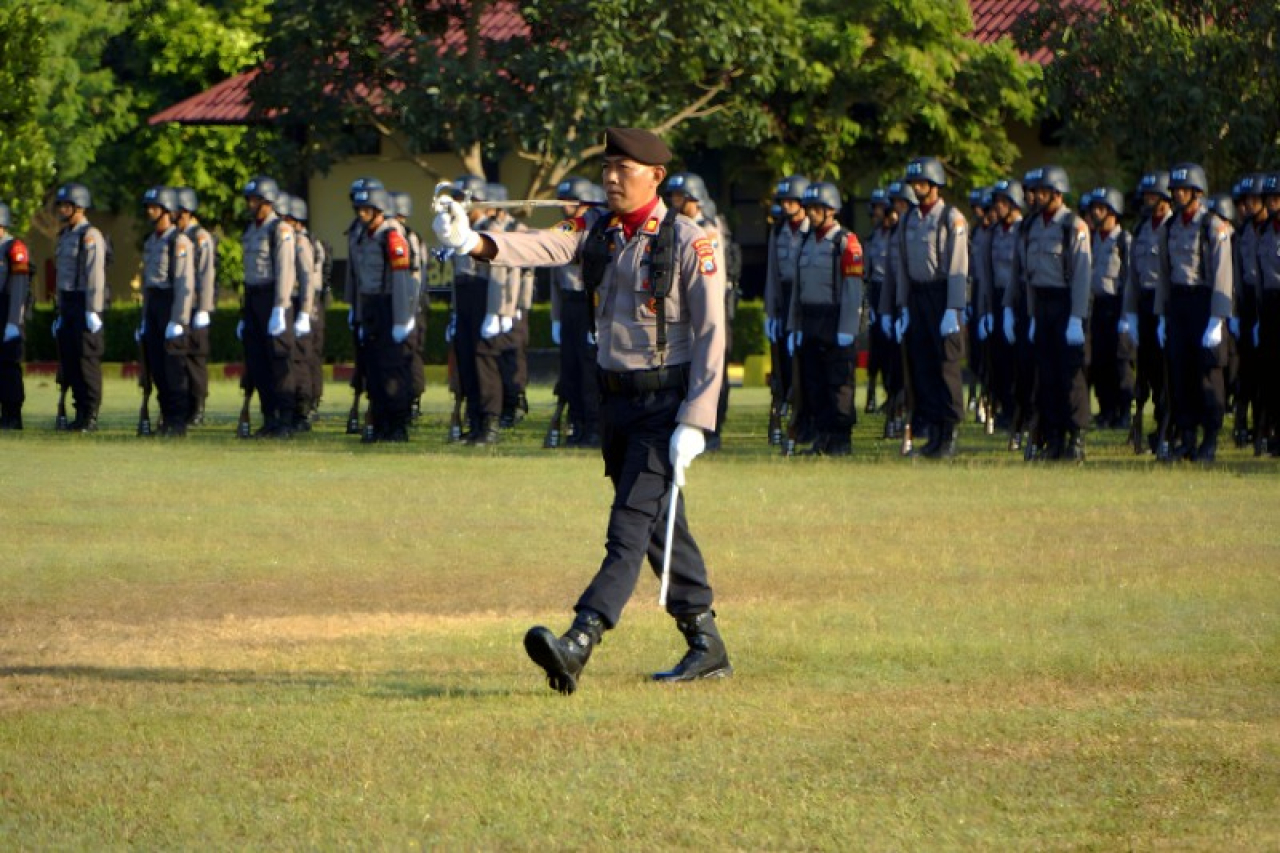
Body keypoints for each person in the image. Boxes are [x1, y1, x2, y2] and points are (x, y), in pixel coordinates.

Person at [433, 127, 729, 694]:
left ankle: (580, 639)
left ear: (656, 177)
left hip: (664, 406)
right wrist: (472, 242)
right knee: (660, 527)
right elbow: (543, 246)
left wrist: (697, 417)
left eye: (624, 169)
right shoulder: (596, 230)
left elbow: (714, 334)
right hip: (614, 402)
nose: (611, 177)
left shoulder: (690, 242)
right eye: (607, 168)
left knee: (627, 528)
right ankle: (706, 642)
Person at [1004, 165, 1091, 461]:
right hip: (1041, 305)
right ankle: (1052, 438)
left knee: (1071, 375)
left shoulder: (1073, 226)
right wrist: (1029, 314)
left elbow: (1082, 274)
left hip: (1066, 304)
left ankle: (1075, 439)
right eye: (1034, 192)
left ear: (1057, 193)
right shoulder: (1030, 226)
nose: (1035, 197)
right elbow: (1027, 275)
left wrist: (1077, 317)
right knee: (1047, 376)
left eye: (1042, 192)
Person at [1157, 163, 1233, 462]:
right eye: (1175, 190)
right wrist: (1162, 314)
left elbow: (1222, 273)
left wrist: (1218, 318)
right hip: (1178, 304)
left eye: (1182, 189)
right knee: (1181, 373)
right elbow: (1164, 273)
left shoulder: (1213, 226)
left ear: (1197, 192)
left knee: (1207, 373)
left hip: (1204, 303)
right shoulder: (1170, 226)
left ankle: (1210, 439)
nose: (1176, 195)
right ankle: (1186, 438)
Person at [896, 156, 969, 458]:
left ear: (935, 184)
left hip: (942, 296)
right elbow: (901, 265)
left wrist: (953, 307)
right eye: (914, 183)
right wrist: (901, 305)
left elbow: (957, 266)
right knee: (922, 366)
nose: (917, 188)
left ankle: (949, 432)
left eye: (922, 182)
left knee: (946, 367)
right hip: (917, 296)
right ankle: (933, 433)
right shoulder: (908, 219)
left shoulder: (951, 218)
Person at [786, 181, 863, 455]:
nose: (811, 213)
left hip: (834, 319)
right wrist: (793, 326)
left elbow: (853, 289)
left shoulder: (845, 241)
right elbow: (798, 289)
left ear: (831, 210)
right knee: (814, 382)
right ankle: (822, 436)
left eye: (817, 208)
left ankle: (841, 438)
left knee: (838, 382)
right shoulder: (806, 241)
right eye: (809, 208)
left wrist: (848, 328)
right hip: (809, 319)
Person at [666, 172, 730, 450]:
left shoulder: (709, 230)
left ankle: (712, 428)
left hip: (707, 305)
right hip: (682, 309)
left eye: (681, 197)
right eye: (674, 197)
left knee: (711, 366)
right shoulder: (676, 227)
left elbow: (711, 274)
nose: (676, 202)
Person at [350, 185, 416, 442]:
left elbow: (401, 278)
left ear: (379, 209)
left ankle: (396, 425)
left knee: (391, 369)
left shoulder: (391, 236)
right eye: (359, 208)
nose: (361, 213)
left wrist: (401, 318)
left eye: (366, 208)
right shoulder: (364, 235)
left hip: (389, 306)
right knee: (372, 368)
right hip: (370, 306)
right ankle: (379, 423)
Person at [549, 177, 605, 446]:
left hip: (590, 303)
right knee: (569, 367)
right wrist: (556, 318)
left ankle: (595, 426)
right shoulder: (564, 230)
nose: (563, 205)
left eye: (568, 200)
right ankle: (577, 422)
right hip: (570, 304)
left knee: (589, 368)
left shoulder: (597, 231)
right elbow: (555, 279)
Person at [240, 176, 297, 437]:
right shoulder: (251, 230)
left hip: (273, 299)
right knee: (258, 362)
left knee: (279, 362)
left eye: (255, 200)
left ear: (267, 202)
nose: (251, 204)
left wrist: (280, 307)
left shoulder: (280, 229)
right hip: (253, 298)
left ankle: (285, 419)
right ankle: (269, 417)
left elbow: (285, 270)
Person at [1123, 171, 1175, 455]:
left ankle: (1167, 428)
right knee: (1148, 370)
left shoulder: (1172, 227)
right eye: (1146, 196)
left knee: (1168, 372)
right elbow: (1132, 275)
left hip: (1165, 304)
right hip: (1144, 304)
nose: (1147, 200)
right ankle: (1150, 428)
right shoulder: (1142, 228)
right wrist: (1129, 312)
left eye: (1153, 195)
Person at [138, 186, 195, 436]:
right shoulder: (151, 242)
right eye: (149, 207)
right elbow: (147, 283)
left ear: (167, 211)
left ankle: (177, 420)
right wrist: (144, 318)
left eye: (155, 207)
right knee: (157, 366)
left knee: (173, 367)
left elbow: (185, 283)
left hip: (171, 303)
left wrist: (179, 319)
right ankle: (165, 417)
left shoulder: (179, 241)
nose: (150, 212)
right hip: (154, 304)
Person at [53, 182, 107, 433]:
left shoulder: (90, 235)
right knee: (71, 361)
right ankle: (79, 412)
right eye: (61, 205)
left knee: (87, 361)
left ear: (79, 207)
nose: (62, 209)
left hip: (85, 302)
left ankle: (91, 414)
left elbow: (95, 274)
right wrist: (60, 311)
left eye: (67, 205)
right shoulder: (64, 235)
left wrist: (93, 309)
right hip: (69, 303)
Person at [764, 175, 810, 445]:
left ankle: (802, 417)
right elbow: (772, 273)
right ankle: (779, 418)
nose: (787, 205)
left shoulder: (809, 230)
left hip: (804, 305)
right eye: (784, 200)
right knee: (781, 365)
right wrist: (770, 312)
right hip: (782, 302)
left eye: (792, 200)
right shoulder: (778, 230)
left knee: (802, 366)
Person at [978, 179, 1024, 432]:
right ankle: (1006, 410)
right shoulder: (993, 233)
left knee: (1022, 361)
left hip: (1018, 300)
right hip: (996, 299)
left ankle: (1023, 412)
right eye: (997, 202)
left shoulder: (1024, 230)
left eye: (1004, 202)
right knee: (1000, 362)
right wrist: (985, 310)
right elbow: (985, 272)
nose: (998, 207)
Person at [1087, 187, 1133, 429]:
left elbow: (1129, 280)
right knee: (1100, 361)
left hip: (1117, 305)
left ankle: (1124, 411)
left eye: (1101, 208)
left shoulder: (1123, 240)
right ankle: (1106, 410)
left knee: (1120, 362)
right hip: (1097, 305)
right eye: (1095, 208)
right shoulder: (1093, 238)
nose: (1096, 213)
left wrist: (1126, 315)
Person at [175, 187, 215, 427]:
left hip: (196, 304)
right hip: (181, 304)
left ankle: (198, 407)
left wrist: (204, 308)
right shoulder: (175, 236)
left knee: (195, 358)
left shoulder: (200, 237)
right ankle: (184, 404)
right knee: (179, 357)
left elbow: (206, 274)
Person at [280, 195, 321, 431]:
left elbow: (307, 279)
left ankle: (303, 409)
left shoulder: (300, 242)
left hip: (300, 302)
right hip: (290, 301)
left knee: (300, 357)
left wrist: (305, 311)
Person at [390, 190, 427, 420]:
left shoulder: (408, 237)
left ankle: (411, 398)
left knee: (409, 354)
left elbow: (415, 276)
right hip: (402, 301)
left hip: (411, 302)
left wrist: (409, 311)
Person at [1253, 173, 1280, 456]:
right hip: (1270, 306)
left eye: (1276, 199)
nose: (1271, 205)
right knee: (1271, 373)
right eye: (1268, 200)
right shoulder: (1264, 233)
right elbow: (1260, 278)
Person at [0, 202, 31, 429]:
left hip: (7, 310)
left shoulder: (14, 248)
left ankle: (12, 415)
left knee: (8, 365)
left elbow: (19, 287)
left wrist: (13, 322)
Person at [863, 188, 893, 415]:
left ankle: (894, 397)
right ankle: (872, 393)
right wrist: (868, 305)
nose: (875, 213)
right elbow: (866, 273)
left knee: (894, 350)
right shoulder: (872, 238)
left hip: (892, 293)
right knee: (876, 351)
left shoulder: (896, 235)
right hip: (876, 291)